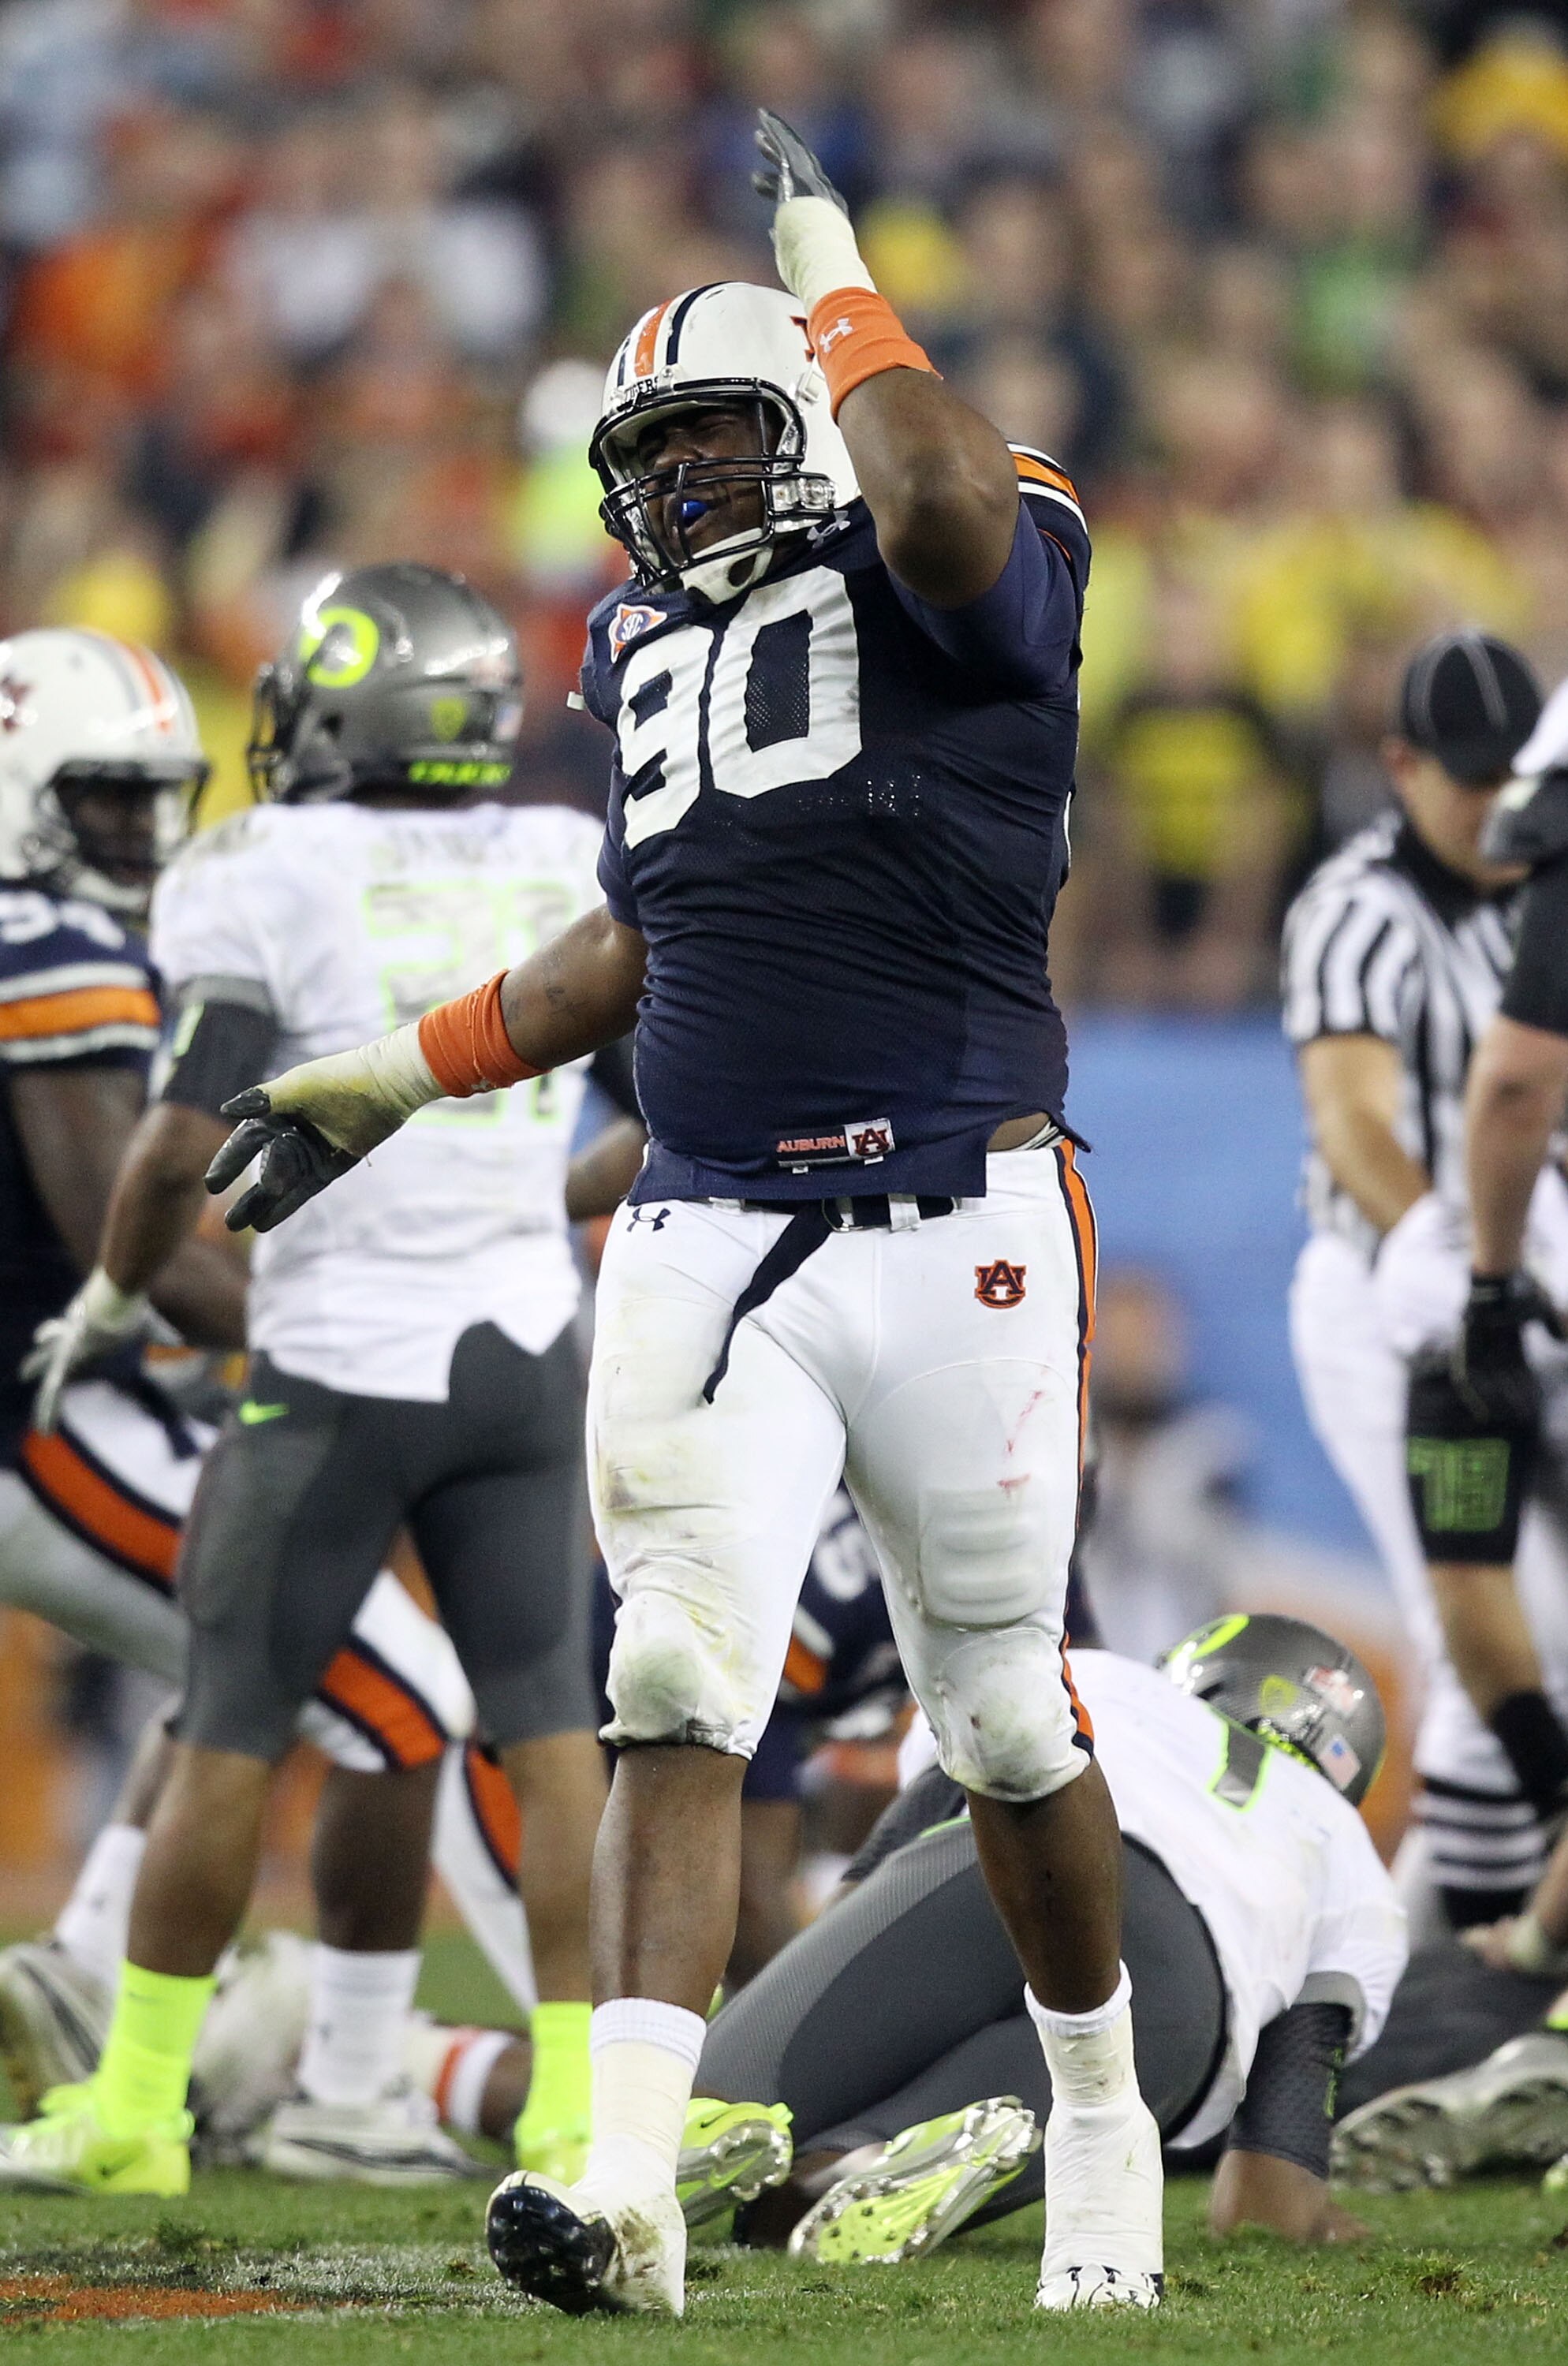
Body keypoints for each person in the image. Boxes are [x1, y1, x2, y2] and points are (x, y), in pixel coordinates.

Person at [189, 111, 1163, 2317]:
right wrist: (392, 1071)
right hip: (711, 1227)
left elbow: (924, 499)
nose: (680, 483)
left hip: (963, 1219)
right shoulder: (641, 643)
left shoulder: (978, 536)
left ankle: (1102, 2117)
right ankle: (623, 2187)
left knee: (1002, 1718)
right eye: (653, 450)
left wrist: (830, 257)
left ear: (818, 401)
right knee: (670, 1673)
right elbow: (646, 935)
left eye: (721, 434)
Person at [0, 565, 617, 2200]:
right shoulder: (566, 851)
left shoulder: (257, 866)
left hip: (331, 1360)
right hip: (523, 1356)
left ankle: (133, 2106)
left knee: (226, 1729)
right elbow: (668, 1108)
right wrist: (512, 1200)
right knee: (551, 1734)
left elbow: (168, 1147)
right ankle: (568, 2112)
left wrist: (125, 1291)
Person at [693, 1613, 1405, 2263]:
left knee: (711, 2107)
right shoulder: (1354, 1871)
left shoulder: (1103, 1679)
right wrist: (1312, 2216)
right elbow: (1266, 2203)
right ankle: (860, 2162)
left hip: (1017, 1868)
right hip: (1183, 2008)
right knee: (798, 2217)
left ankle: (745, 2136)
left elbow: (873, 1885)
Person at [1281, 629, 1568, 1930]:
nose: (1492, 801)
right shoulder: (1355, 905)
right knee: (1478, 1640)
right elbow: (1351, 1117)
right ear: (1396, 766)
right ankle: (1421, 2002)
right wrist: (1435, 1252)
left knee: (1531, 1648)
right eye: (1465, 775)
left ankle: (1432, 1994)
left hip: (1532, 1276)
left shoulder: (1541, 883)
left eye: (1513, 773)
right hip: (1387, 1293)